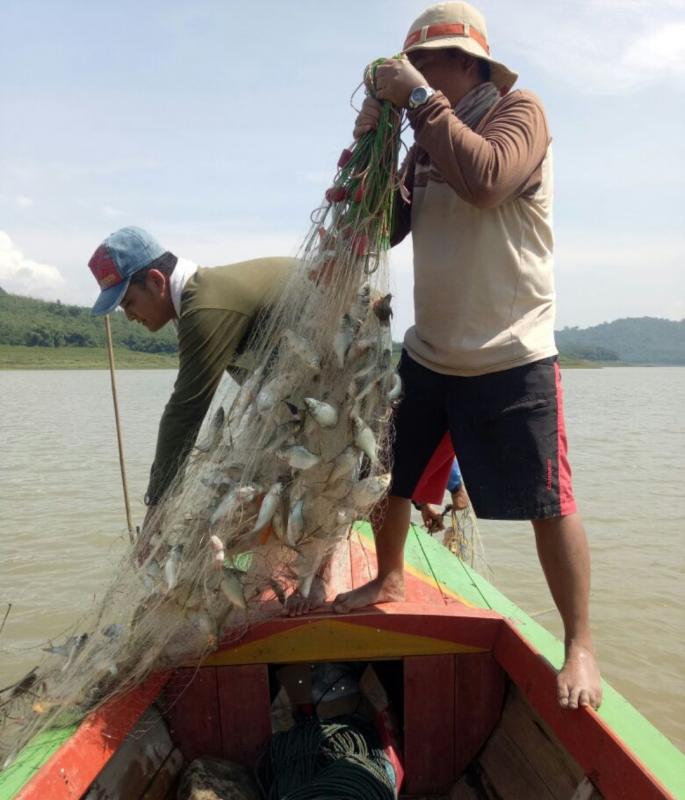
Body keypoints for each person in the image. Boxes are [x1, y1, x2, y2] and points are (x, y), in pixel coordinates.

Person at [331, 2, 603, 711]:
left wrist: (415, 101)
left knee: (549, 502)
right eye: (411, 68)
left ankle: (579, 644)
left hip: (511, 354)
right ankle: (388, 577)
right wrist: (371, 154)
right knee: (389, 479)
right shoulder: (426, 143)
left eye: (426, 65)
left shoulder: (520, 114)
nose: (416, 77)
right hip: (431, 353)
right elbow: (385, 229)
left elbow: (485, 180)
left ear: (465, 62)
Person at [88, 226, 296, 542]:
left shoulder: (205, 306)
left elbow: (185, 411)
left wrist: (157, 508)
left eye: (129, 302)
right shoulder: (194, 303)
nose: (129, 316)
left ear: (157, 281)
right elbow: (252, 377)